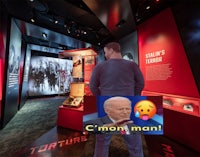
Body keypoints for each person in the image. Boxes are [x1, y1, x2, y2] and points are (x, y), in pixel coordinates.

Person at [89, 42, 145, 157]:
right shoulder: (132, 65)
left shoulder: (100, 66)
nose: (105, 55)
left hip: (107, 109)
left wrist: (102, 98)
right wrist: (133, 96)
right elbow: (141, 83)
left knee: (102, 143)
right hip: (127, 109)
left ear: (111, 50)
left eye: (105, 52)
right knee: (134, 144)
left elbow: (93, 87)